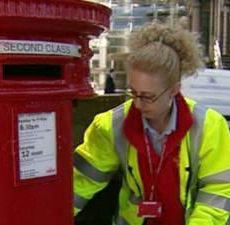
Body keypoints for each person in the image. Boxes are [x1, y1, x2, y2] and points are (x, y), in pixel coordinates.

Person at [73, 22, 230, 225]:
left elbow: (219, 190)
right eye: (133, 92)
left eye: (147, 97)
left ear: (174, 89)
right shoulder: (110, 125)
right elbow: (80, 182)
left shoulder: (209, 126)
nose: (137, 104)